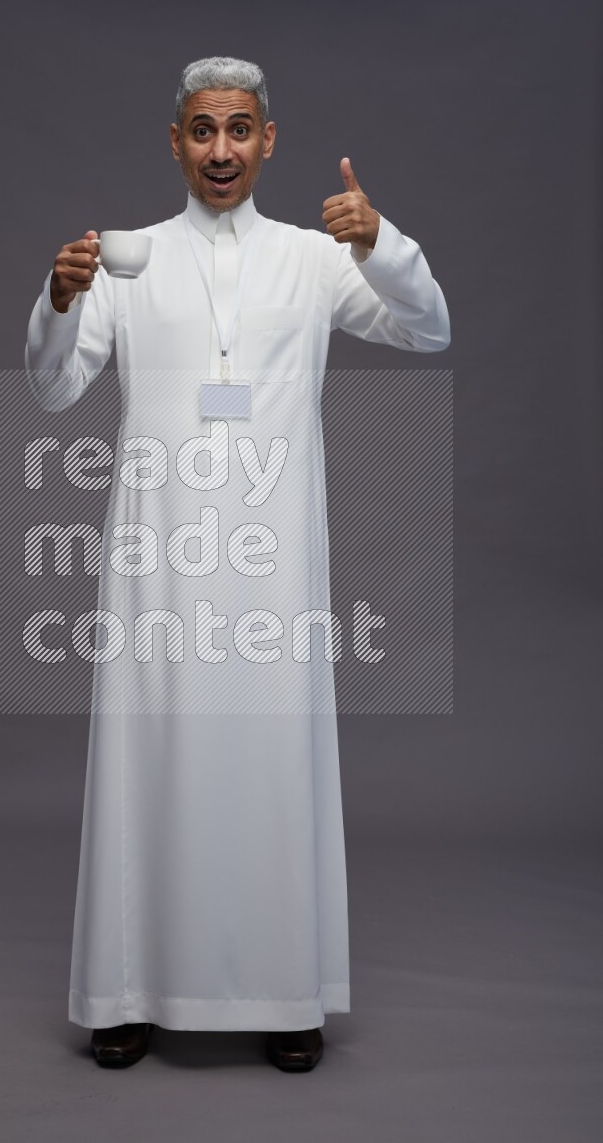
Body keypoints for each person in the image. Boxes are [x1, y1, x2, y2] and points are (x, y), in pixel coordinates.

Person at [25, 56, 450, 1072]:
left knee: (270, 759)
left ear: (268, 141)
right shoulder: (125, 259)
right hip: (156, 557)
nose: (221, 149)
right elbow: (51, 391)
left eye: (240, 129)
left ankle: (283, 990)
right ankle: (126, 992)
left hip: (270, 560)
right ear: (173, 142)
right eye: (202, 130)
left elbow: (427, 325)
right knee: (150, 758)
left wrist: (380, 243)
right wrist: (57, 297)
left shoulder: (312, 259)